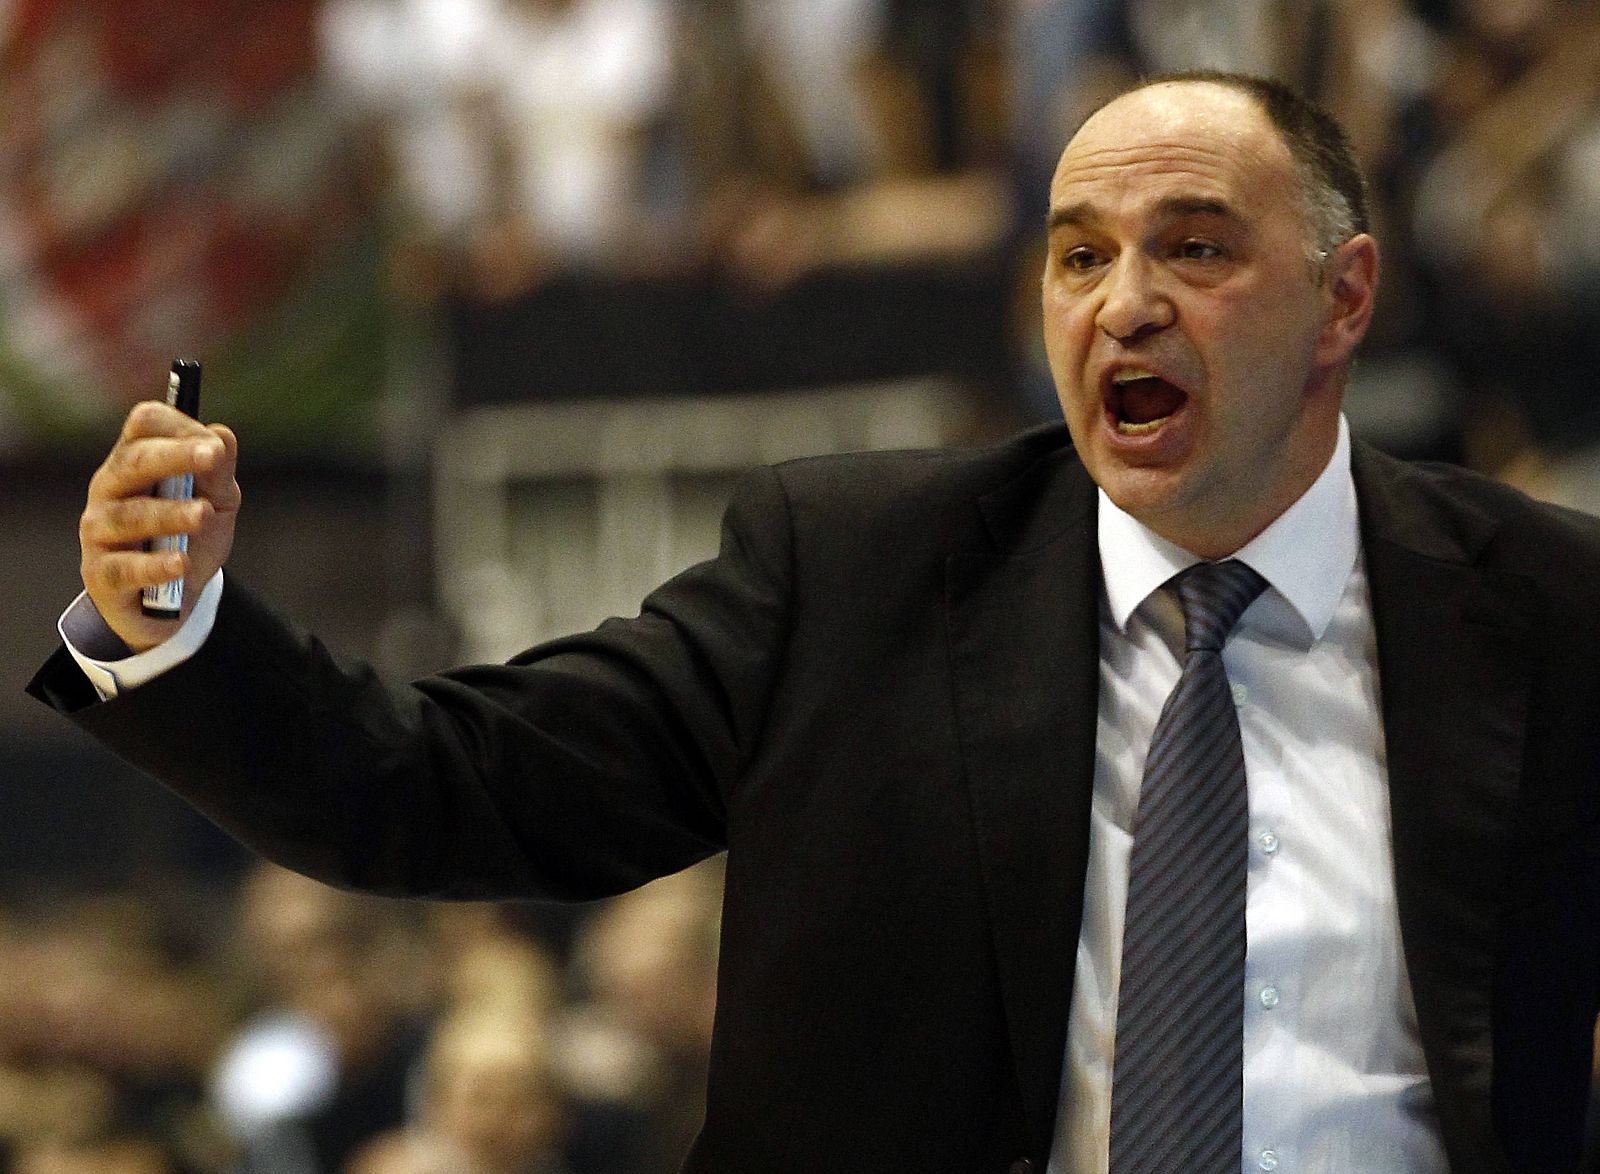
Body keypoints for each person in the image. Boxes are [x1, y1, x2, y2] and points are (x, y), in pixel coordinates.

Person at [28, 71, 1600, 1173]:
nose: (1123, 303)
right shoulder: (855, 575)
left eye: (1195, 246)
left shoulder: (1545, 608)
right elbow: (444, 782)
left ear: (1344, 301)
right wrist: (173, 624)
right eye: (1077, 256)